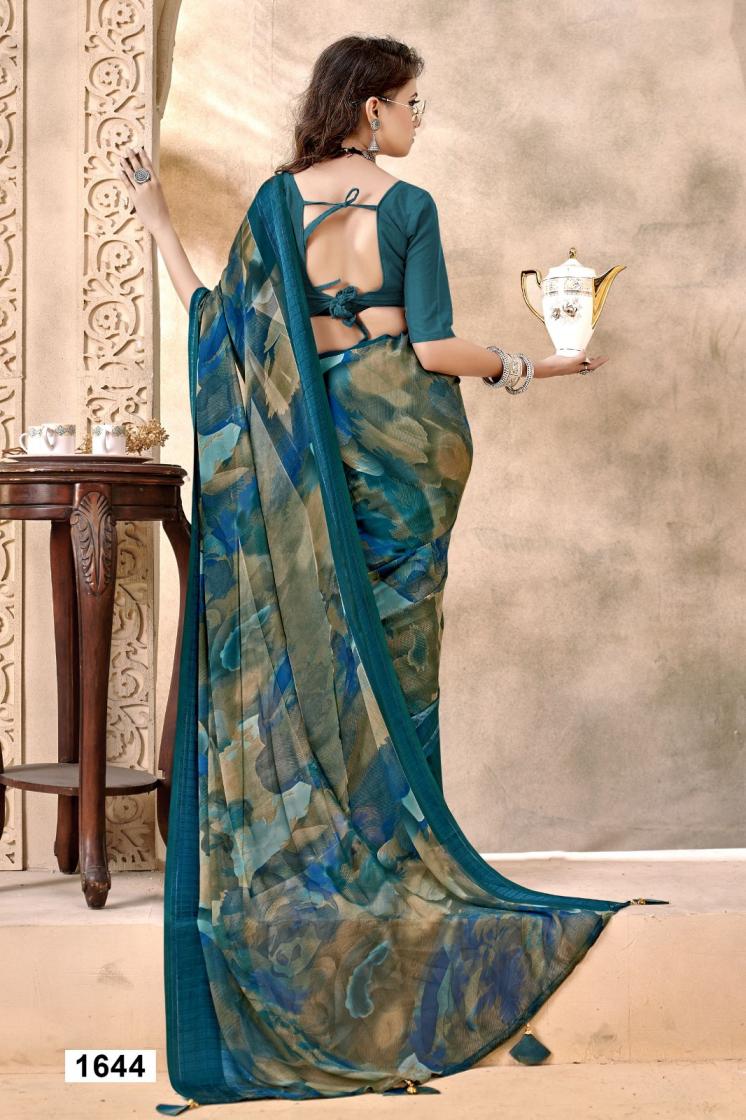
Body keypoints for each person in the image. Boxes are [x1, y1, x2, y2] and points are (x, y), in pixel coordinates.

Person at [119, 34, 666, 1114]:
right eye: (413, 102)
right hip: (404, 460)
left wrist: (157, 226)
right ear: (371, 108)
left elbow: (221, 332)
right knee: (399, 671)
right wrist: (534, 365)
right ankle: (397, 877)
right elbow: (429, 350)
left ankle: (329, 876)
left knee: (318, 660)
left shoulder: (276, 206)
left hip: (313, 466)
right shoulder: (407, 208)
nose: (420, 119)